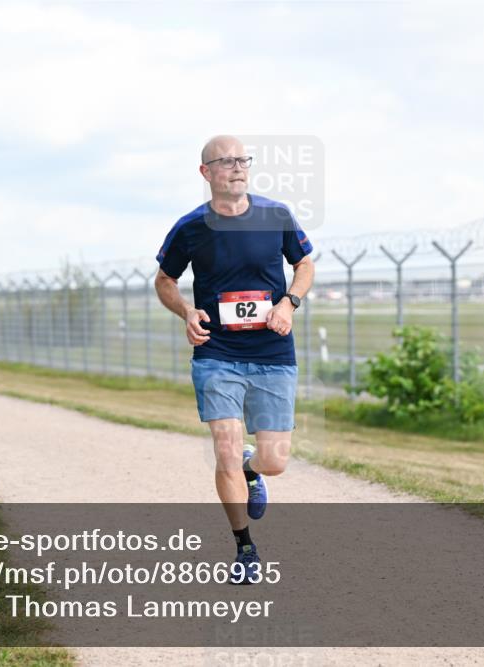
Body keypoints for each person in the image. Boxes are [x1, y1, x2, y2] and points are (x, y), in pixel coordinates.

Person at [154, 135, 314, 584]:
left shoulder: (275, 215)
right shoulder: (190, 227)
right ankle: (245, 547)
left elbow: (305, 265)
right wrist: (186, 310)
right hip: (217, 353)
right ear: (206, 173)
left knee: (275, 460)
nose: (237, 167)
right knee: (223, 451)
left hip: (272, 353)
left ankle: (252, 468)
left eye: (243, 160)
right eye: (226, 162)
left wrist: (288, 304)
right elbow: (165, 279)